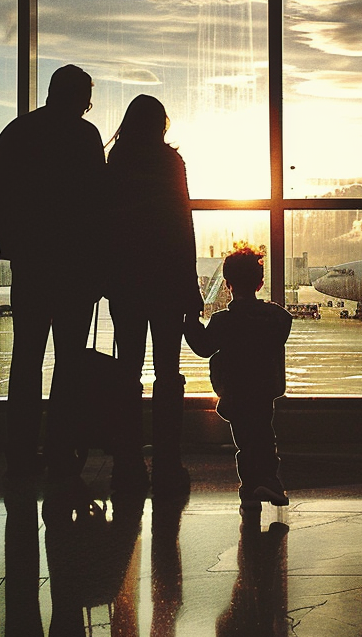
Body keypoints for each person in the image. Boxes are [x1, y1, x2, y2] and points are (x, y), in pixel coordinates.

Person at [0, 64, 106, 478]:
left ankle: (19, 449)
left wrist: (16, 247)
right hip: (75, 266)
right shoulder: (86, 137)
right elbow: (96, 205)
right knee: (69, 360)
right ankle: (61, 446)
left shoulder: (18, 132)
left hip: (33, 264)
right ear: (79, 98)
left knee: (27, 357)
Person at [105, 94, 202, 495]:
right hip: (165, 280)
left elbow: (106, 221)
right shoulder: (170, 162)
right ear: (161, 123)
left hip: (127, 279)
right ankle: (168, 460)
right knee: (168, 373)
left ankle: (127, 462)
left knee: (127, 372)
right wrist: (190, 283)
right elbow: (182, 221)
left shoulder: (116, 161)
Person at [183, 242, 292, 509]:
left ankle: (253, 486)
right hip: (264, 389)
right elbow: (284, 325)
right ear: (260, 283)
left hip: (235, 390)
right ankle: (267, 480)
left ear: (228, 283)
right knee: (264, 433)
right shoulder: (275, 317)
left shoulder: (223, 321)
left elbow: (204, 347)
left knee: (245, 439)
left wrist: (188, 322)